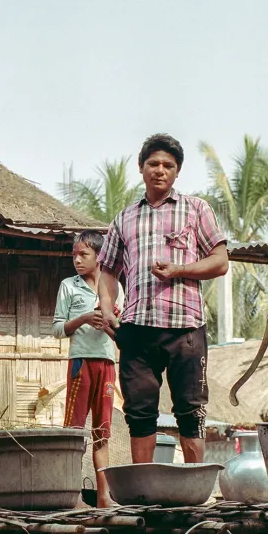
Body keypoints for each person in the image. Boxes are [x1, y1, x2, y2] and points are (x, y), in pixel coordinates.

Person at [94, 133, 229, 464]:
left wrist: (179, 270)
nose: (160, 170)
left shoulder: (196, 209)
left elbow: (221, 261)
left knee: (190, 411)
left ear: (177, 172)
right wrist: (108, 309)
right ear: (141, 168)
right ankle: (144, 494)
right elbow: (107, 272)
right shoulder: (124, 218)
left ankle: (196, 490)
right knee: (139, 413)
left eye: (168, 165)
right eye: (153, 163)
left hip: (185, 328)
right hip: (137, 329)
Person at [54, 232, 119, 505]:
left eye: (84, 255)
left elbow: (119, 332)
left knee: (102, 432)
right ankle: (74, 496)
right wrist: (82, 318)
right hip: (81, 362)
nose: (77, 260)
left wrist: (110, 323)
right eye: (74, 255)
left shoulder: (115, 287)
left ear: (99, 257)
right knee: (74, 432)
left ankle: (104, 496)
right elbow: (58, 329)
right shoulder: (69, 286)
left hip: (107, 363)